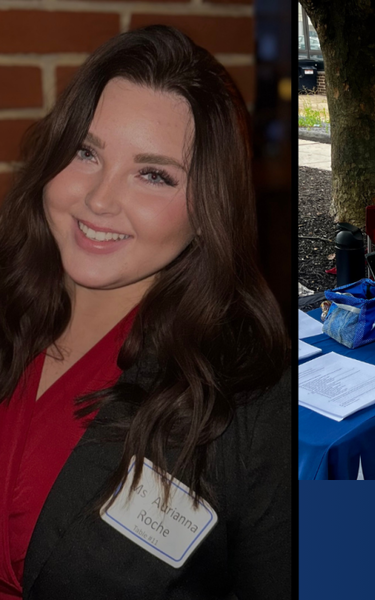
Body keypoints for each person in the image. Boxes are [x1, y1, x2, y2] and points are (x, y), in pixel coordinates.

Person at [0, 26, 290, 599]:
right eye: (86, 152)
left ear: (209, 207)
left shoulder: (251, 397)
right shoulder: (11, 299)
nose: (100, 200)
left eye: (152, 174)